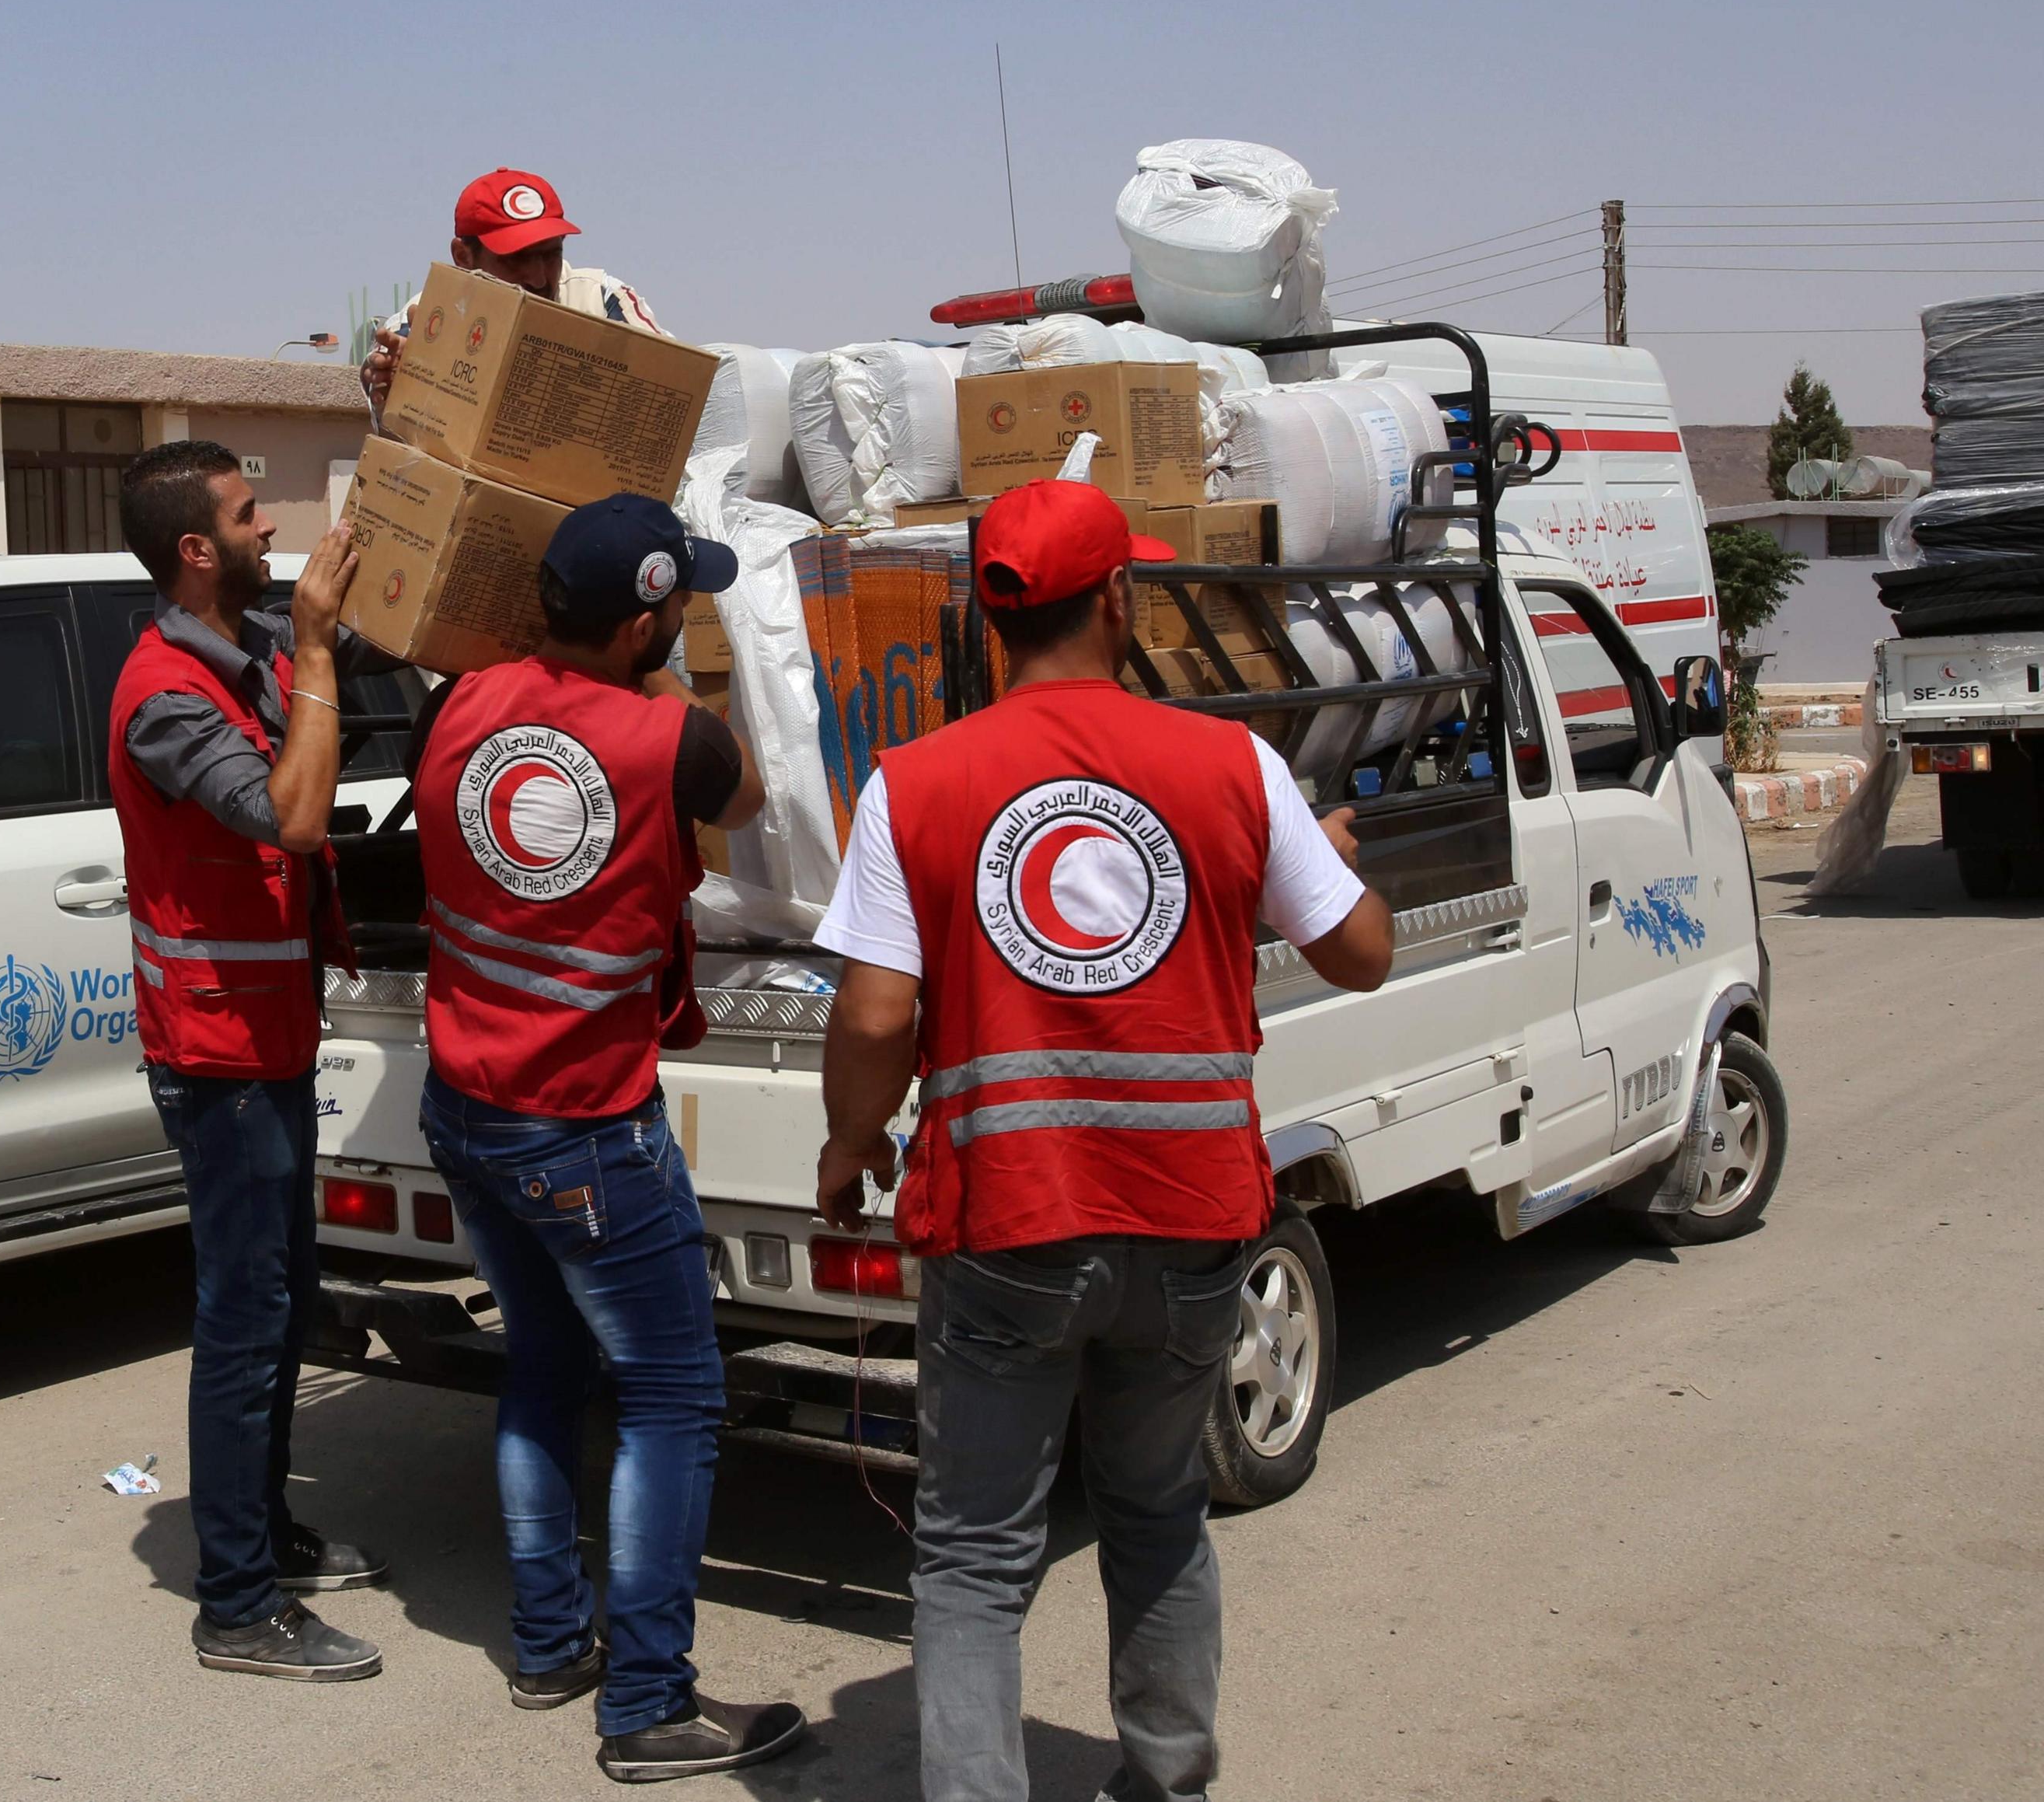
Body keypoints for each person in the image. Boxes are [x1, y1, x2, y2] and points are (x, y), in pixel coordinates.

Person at [811, 477, 1397, 1802]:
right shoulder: (1234, 765)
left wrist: (852, 1145)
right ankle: (1169, 1777)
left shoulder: (917, 784)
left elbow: (875, 1013)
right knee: (1156, 1515)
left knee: (973, 1553)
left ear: (991, 619)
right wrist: (1319, 855)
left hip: (1010, 1219)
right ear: (1119, 602)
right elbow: (1359, 953)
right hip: (1193, 1219)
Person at [410, 494, 804, 1784]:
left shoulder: (458, 704)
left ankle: (546, 1642)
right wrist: (684, 673)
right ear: (647, 616)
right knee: (677, 1395)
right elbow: (750, 798)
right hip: (583, 1126)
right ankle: (647, 1703)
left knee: (545, 1359)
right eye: (677, 597)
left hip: (465, 1107)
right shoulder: (670, 743)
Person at [107, 438, 399, 1682]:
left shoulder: (239, 659)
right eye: (245, 513)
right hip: (219, 1054)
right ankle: (235, 1602)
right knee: (244, 1319)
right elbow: (286, 810)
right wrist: (319, 651)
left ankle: (264, 1538)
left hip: (265, 1037)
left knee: (281, 1305)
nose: (266, 524)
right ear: (195, 548)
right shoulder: (167, 694)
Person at [360, 167, 668, 420]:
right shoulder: (421, 322)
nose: (537, 278)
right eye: (516, 258)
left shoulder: (602, 300)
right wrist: (405, 389)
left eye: (551, 254)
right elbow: (397, 448)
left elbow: (675, 393)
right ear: (463, 257)